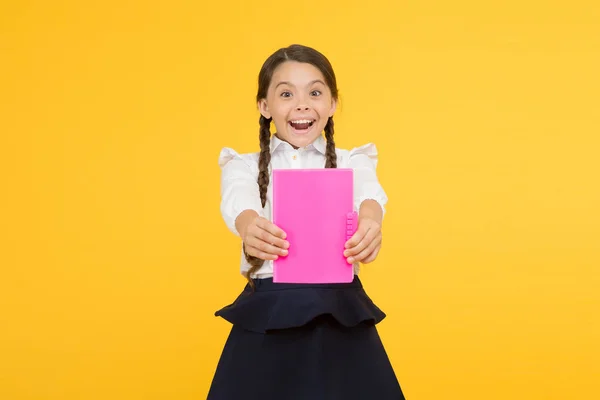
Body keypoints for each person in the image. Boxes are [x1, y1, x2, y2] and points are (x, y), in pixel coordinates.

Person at [207, 44, 406, 400]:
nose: (301, 104)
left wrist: (371, 223)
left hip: (340, 311)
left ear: (331, 104)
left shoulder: (352, 161)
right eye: (286, 94)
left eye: (314, 92)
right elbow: (239, 201)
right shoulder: (244, 165)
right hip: (268, 309)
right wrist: (249, 225)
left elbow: (370, 197)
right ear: (264, 107)